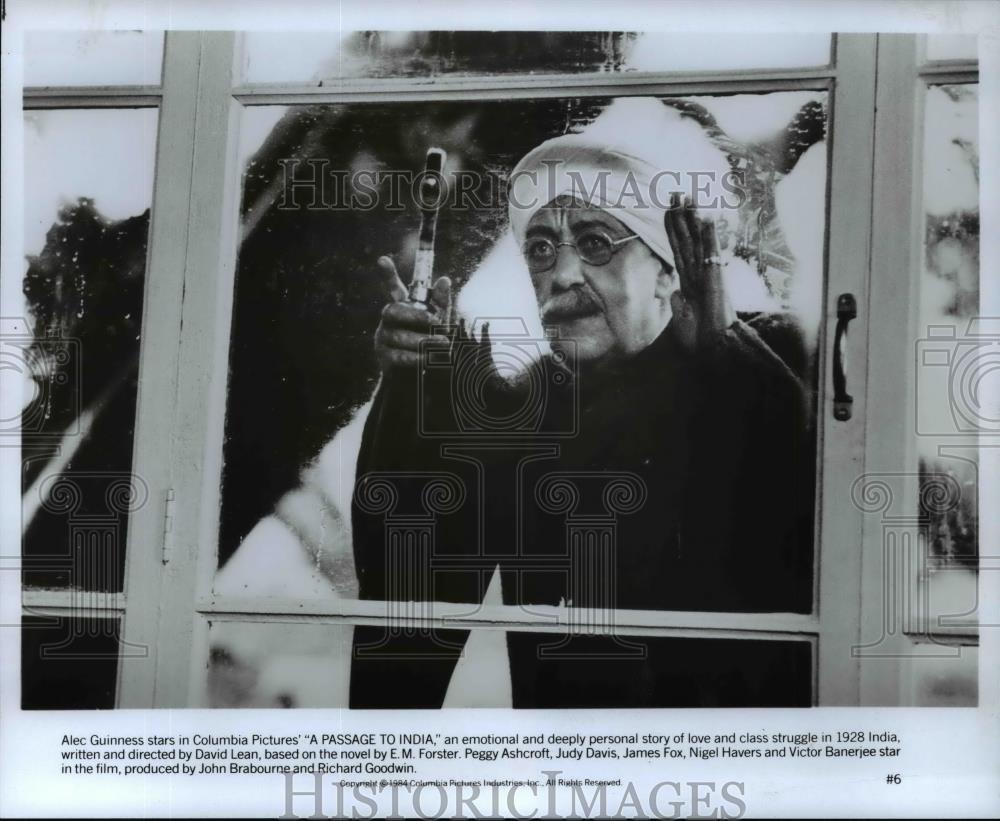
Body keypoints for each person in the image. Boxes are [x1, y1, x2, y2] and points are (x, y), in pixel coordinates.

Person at [349, 132, 815, 708]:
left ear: (668, 273)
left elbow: (807, 531)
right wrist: (425, 381)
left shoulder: (771, 355)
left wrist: (722, 354)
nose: (562, 274)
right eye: (541, 250)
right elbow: (421, 565)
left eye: (595, 242)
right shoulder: (535, 401)